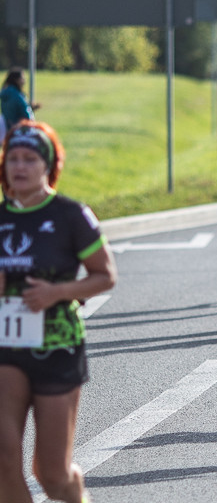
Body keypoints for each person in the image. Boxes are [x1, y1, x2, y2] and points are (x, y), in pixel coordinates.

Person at [0, 120, 117, 503]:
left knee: (51, 473)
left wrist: (58, 292)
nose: (19, 167)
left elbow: (104, 276)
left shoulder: (71, 215)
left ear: (48, 166)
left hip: (57, 346)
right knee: (4, 462)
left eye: (29, 159)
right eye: (12, 158)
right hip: (5, 349)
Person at [0, 68, 39, 135]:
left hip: (9, 127)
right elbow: (24, 110)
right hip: (20, 129)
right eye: (22, 78)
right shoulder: (15, 94)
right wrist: (31, 124)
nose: (24, 80)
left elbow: (14, 109)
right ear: (16, 79)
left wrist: (30, 107)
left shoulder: (7, 92)